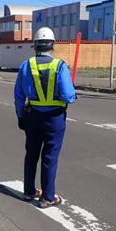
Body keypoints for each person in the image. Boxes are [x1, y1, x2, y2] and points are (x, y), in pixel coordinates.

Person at [14, 27, 76, 208]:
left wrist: (20, 116)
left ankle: (28, 192)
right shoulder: (59, 66)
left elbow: (18, 96)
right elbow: (68, 96)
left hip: (31, 117)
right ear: (52, 45)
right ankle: (48, 197)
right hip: (54, 119)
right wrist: (72, 95)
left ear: (34, 45)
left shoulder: (26, 65)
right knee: (49, 156)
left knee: (31, 154)